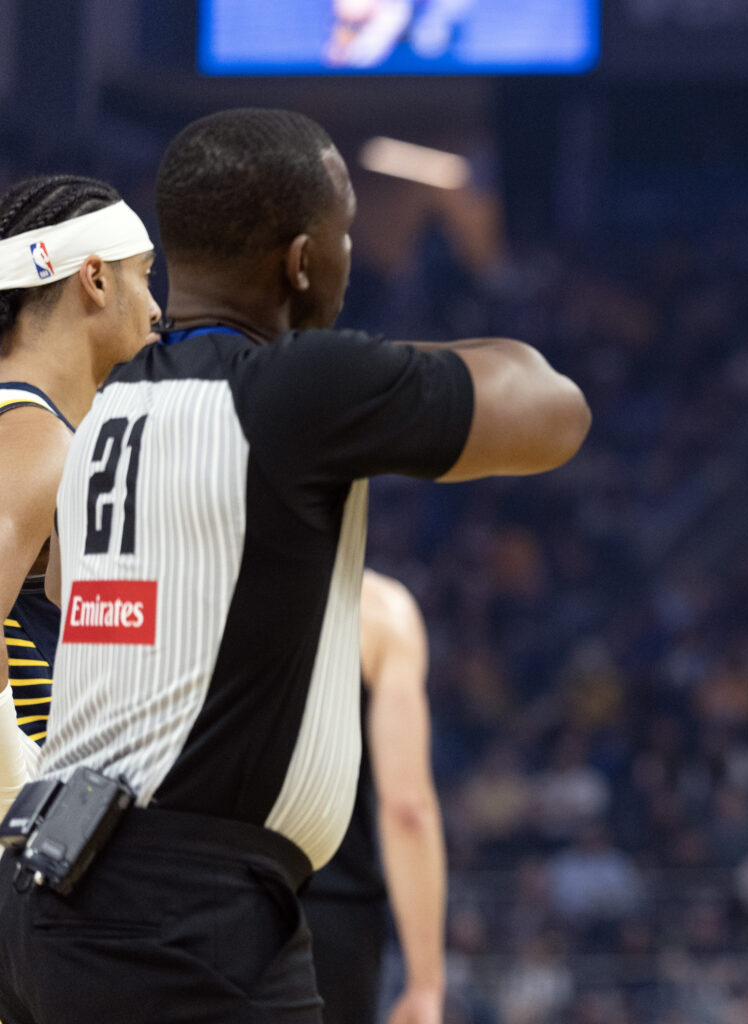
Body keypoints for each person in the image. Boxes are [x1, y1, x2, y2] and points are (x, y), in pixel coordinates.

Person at [0, 107, 589, 1024]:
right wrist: (370, 371)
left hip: (121, 893)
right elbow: (554, 409)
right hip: (173, 910)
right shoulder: (298, 390)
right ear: (305, 259)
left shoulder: (110, 405)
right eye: (348, 235)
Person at [0, 175, 160, 803]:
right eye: (145, 274)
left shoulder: (44, 433)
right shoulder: (37, 443)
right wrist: (16, 787)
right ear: (94, 278)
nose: (155, 306)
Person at [303, 570, 445, 1024]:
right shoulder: (381, 611)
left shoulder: (193, 582)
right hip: (331, 917)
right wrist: (426, 985)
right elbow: (407, 808)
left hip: (206, 898)